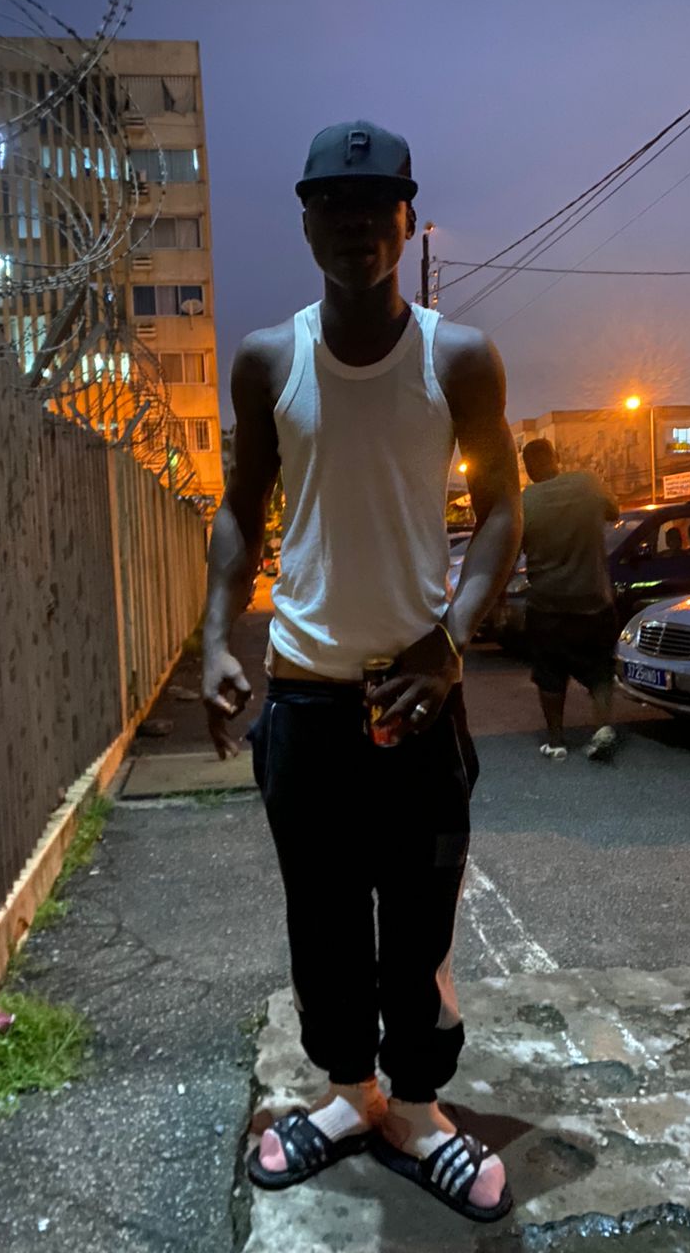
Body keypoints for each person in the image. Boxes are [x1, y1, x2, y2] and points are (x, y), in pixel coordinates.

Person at [201, 120, 521, 1222]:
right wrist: (216, 637)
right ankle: (350, 1096)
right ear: (306, 222)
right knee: (324, 920)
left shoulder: (458, 356)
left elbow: (504, 507)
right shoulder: (268, 358)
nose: (354, 225)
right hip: (305, 697)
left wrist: (452, 636)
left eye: (376, 204)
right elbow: (241, 506)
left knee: (419, 919)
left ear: (406, 217)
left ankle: (418, 1109)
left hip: (417, 695)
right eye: (332, 205)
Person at [520, 439, 620, 761]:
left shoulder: (525, 501)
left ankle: (556, 741)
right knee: (600, 670)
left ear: (528, 468)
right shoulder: (587, 482)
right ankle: (602, 730)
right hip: (594, 600)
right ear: (557, 458)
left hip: (547, 604)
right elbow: (614, 511)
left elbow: (512, 545)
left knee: (549, 674)